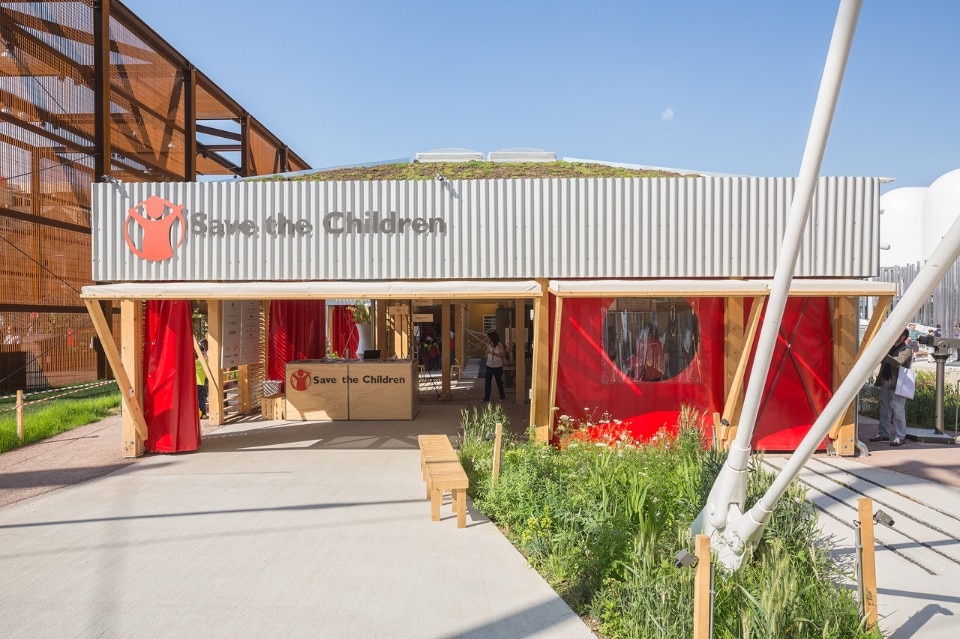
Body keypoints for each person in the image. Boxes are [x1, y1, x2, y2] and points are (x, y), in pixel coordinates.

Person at [871, 328, 913, 447]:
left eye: (896, 334)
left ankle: (900, 437)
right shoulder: (890, 347)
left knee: (898, 410)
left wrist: (883, 355)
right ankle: (884, 434)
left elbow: (898, 362)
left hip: (898, 384)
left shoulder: (907, 349)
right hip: (886, 381)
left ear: (902, 337)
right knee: (885, 409)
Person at [482, 330, 507, 402]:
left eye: (489, 338)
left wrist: (493, 353)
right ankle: (487, 397)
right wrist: (488, 352)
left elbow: (503, 354)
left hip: (497, 365)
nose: (488, 339)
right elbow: (486, 354)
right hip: (489, 364)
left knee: (498, 381)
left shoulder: (499, 344)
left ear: (492, 338)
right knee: (487, 382)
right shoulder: (489, 344)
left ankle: (502, 395)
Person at [196, 346, 208, 419]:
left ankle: (197, 413)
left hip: (194, 384)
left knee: (195, 400)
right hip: (202, 383)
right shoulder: (204, 362)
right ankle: (203, 413)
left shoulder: (193, 362)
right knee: (201, 399)